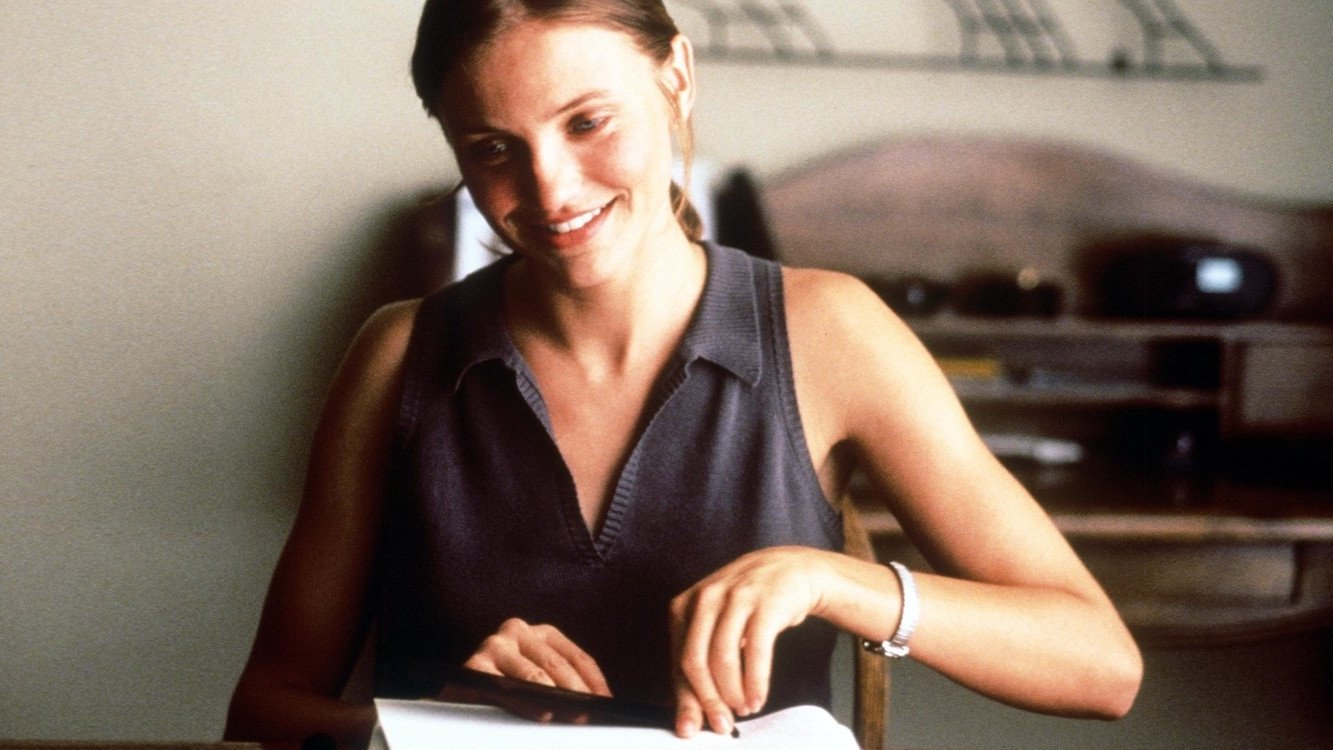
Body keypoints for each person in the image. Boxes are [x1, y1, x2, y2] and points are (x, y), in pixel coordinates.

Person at [224, 1, 1142, 746]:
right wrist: (430, 729)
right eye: (492, 148)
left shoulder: (830, 332)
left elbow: (1101, 667)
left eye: (587, 122)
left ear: (676, 81)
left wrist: (834, 583)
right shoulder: (398, 356)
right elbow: (263, 710)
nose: (550, 190)